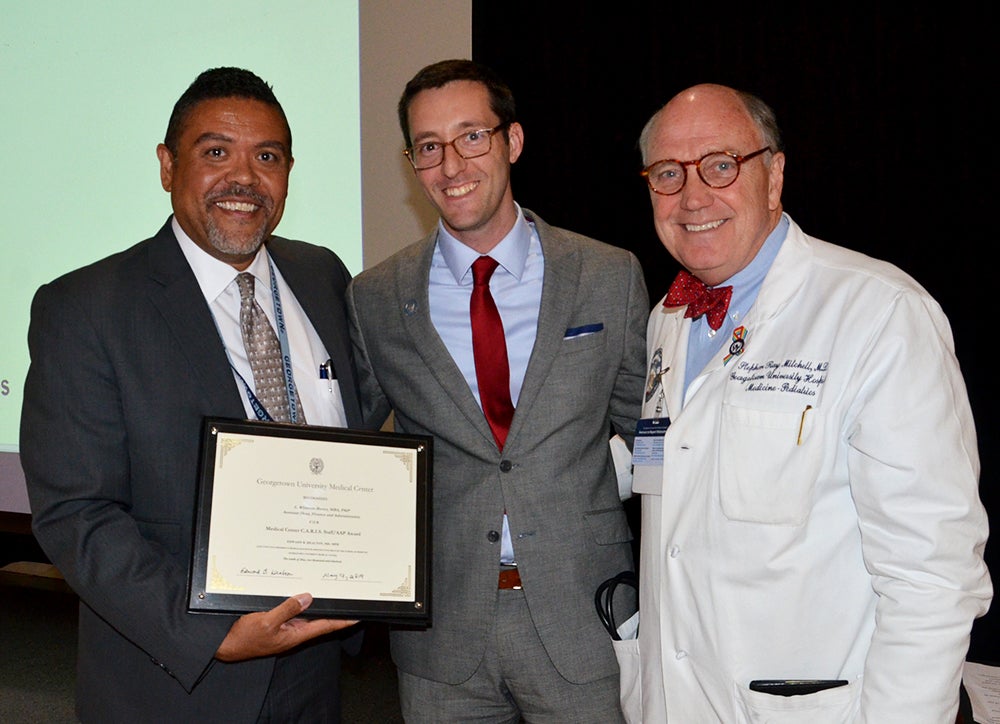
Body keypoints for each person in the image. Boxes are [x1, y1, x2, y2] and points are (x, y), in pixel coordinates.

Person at [628, 82, 993, 722]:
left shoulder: (880, 313)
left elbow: (932, 579)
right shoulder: (668, 319)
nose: (692, 196)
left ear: (773, 176)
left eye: (720, 165)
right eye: (667, 173)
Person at [19, 67, 362, 722]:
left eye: (267, 157)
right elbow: (76, 512)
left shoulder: (322, 274)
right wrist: (209, 633)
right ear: (167, 165)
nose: (245, 178)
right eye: (215, 153)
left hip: (315, 674)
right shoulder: (86, 308)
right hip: (176, 685)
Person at [346, 59, 648, 722]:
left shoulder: (607, 275)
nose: (451, 166)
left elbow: (650, 432)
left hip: (585, 618)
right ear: (412, 163)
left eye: (471, 138)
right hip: (442, 638)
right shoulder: (375, 298)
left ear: (512, 142)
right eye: (429, 147)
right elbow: (354, 454)